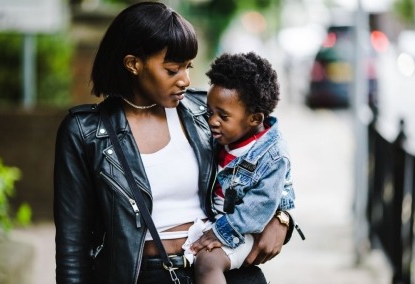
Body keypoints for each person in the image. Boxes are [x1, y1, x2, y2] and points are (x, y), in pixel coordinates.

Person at [54, 2, 295, 284]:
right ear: (133, 64)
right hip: (143, 275)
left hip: (222, 269)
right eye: (172, 70)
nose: (185, 80)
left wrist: (282, 217)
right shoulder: (85, 132)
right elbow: (73, 243)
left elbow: (267, 157)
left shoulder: (204, 112)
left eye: (188, 67)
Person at [180, 52, 295, 284]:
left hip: (242, 229)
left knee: (207, 262)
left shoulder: (272, 155)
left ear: (254, 119)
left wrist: (220, 232)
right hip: (218, 221)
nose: (212, 121)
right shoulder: (224, 136)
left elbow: (261, 206)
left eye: (223, 116)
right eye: (210, 112)